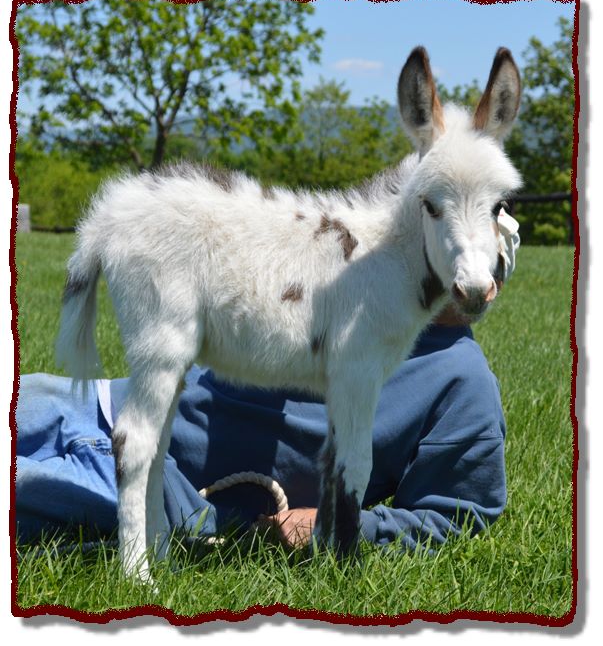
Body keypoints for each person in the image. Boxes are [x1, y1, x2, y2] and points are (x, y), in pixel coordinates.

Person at [14, 212, 520, 554]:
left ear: (495, 276)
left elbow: (457, 514)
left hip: (168, 489)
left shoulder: (463, 384)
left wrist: (340, 525)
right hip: (106, 402)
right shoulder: (349, 280)